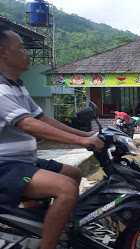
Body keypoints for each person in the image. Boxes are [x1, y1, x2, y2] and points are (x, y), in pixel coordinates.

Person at [0, 25, 104, 249]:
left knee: (73, 173)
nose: (26, 53)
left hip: (22, 163)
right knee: (65, 188)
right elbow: (28, 124)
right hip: (5, 167)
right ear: (3, 53)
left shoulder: (16, 85)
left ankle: (42, 226)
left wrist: (86, 134)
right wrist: (82, 141)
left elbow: (43, 119)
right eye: (21, 48)